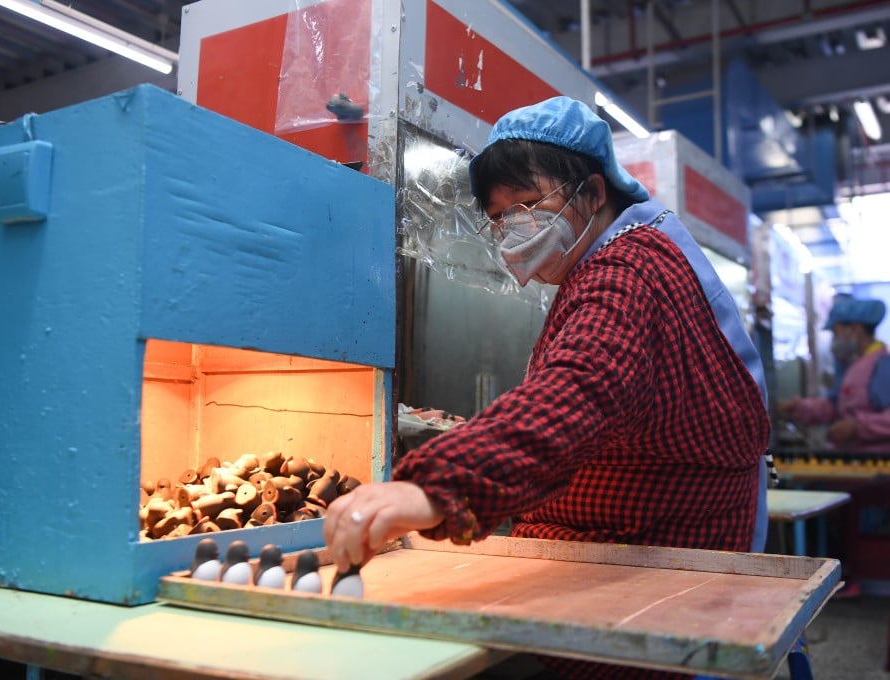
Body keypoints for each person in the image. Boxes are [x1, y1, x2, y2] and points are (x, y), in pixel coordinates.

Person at [324, 96, 771, 680]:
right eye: (500, 214)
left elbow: (583, 388)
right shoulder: (623, 259)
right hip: (622, 550)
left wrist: (436, 485)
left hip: (651, 570)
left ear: (591, 192)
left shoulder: (627, 271)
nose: (514, 225)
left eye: (529, 203)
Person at [777, 296, 890, 451]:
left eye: (836, 332)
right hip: (855, 462)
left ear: (855, 329)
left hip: (879, 466)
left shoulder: (882, 366)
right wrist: (797, 407)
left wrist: (856, 427)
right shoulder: (855, 366)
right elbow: (834, 406)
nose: (834, 341)